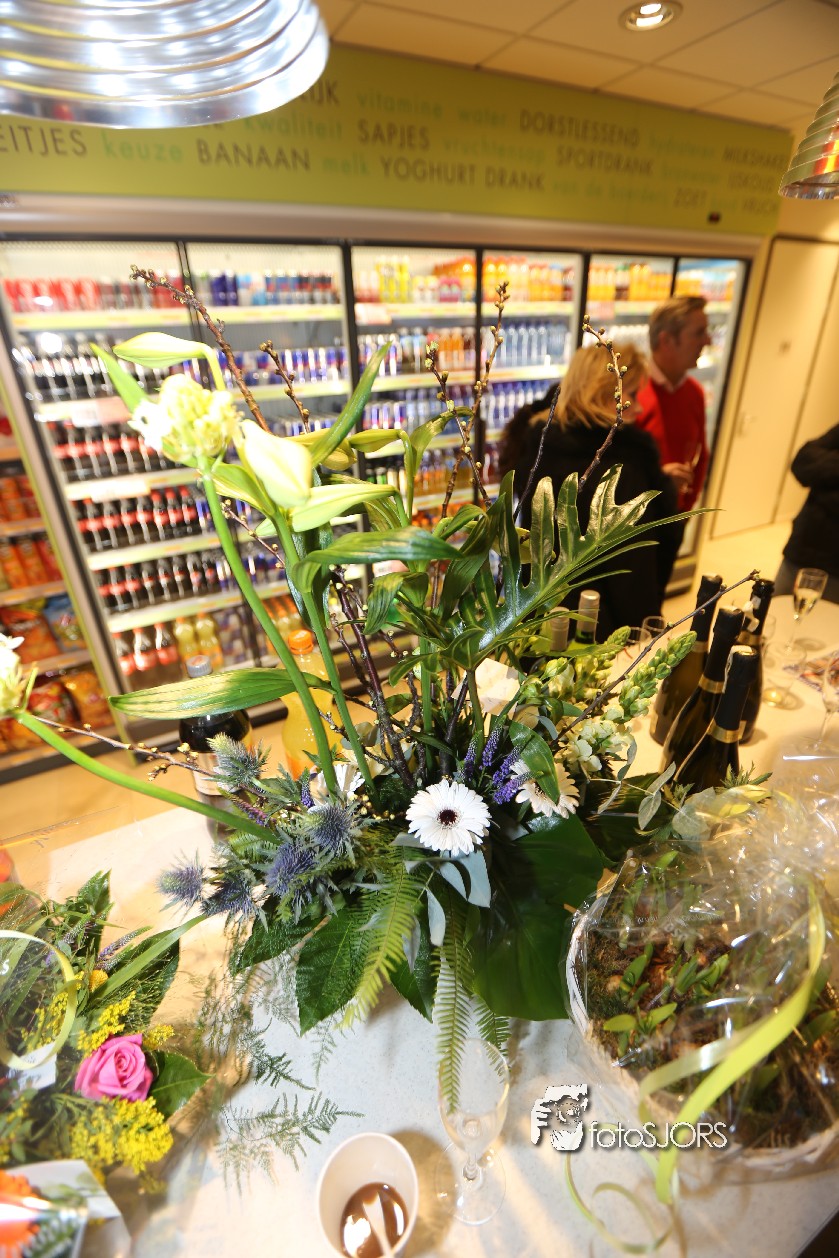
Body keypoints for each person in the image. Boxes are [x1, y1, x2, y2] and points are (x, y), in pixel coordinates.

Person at [498, 342, 678, 639]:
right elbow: (632, 574)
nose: (639, 407)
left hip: (537, 612)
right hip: (594, 628)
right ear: (604, 395)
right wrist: (643, 634)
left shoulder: (541, 445)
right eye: (632, 394)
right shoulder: (622, 467)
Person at [635, 296, 711, 561]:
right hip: (632, 527)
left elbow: (701, 455)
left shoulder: (695, 393)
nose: (707, 340)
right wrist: (658, 478)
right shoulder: (632, 392)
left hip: (673, 519)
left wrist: (684, 513)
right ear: (667, 340)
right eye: (699, 333)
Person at [776, 423, 839, 603]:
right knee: (774, 611)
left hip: (836, 571)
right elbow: (802, 462)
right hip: (801, 551)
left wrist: (822, 486)